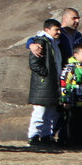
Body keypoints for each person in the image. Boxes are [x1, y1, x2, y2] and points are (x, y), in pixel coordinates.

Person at [28, 18, 63, 148]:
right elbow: (34, 62)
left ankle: (46, 136)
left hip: (53, 83)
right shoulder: (41, 42)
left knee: (51, 112)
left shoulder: (55, 43)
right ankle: (34, 136)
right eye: (56, 29)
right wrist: (46, 74)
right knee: (40, 111)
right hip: (44, 83)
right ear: (47, 30)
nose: (59, 32)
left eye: (59, 29)